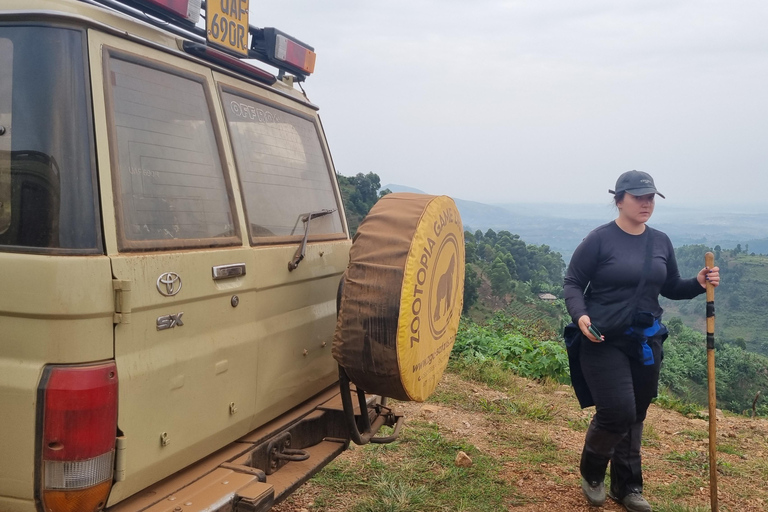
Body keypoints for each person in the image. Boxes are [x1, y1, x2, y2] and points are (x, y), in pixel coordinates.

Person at [563, 170, 720, 512]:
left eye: (650, 197)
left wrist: (698, 281)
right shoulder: (599, 239)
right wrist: (581, 316)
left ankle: (629, 485)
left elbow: (671, 286)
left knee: (636, 413)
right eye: (638, 197)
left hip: (646, 341)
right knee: (617, 411)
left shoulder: (660, 241)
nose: (646, 203)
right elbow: (573, 282)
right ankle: (592, 471)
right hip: (602, 338)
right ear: (618, 200)